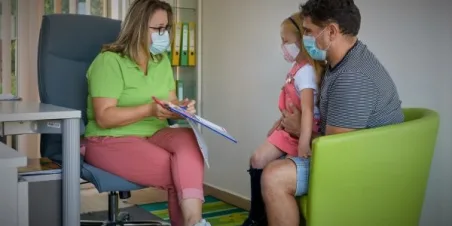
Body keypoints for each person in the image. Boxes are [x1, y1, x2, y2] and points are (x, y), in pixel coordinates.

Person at [260, 0, 405, 225]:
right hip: (362, 155)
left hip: (368, 168)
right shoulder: (342, 63)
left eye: (308, 31)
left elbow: (338, 153)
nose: (305, 38)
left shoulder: (351, 77)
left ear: (332, 31)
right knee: (275, 155)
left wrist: (299, 130)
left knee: (273, 176)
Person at [83, 1, 210, 226]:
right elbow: (104, 117)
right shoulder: (109, 61)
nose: (165, 35)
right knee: (179, 171)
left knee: (190, 139)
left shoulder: (160, 62)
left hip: (153, 135)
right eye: (158, 29)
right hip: (110, 138)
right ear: (138, 27)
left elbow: (168, 103)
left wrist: (181, 109)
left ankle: (194, 222)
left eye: (167, 28)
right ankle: (193, 221)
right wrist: (150, 109)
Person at [241, 13, 325, 226]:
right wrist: (278, 123)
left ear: (300, 41)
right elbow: (292, 105)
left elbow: (307, 111)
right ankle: (258, 216)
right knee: (257, 159)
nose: (283, 46)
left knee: (262, 161)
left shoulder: (306, 72)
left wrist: (305, 142)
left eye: (285, 41)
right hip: (289, 129)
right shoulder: (296, 69)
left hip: (300, 131)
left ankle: (257, 218)